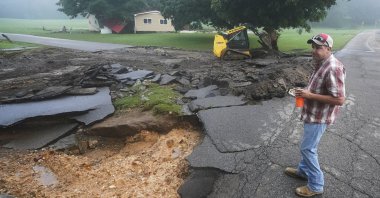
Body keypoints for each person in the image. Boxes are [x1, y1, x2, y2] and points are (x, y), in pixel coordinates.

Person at [285, 33, 346, 197]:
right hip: (312, 114)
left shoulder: (333, 67)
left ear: (328, 48)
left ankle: (316, 185)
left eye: (318, 47)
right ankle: (303, 171)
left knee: (307, 149)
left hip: (319, 117)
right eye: (313, 46)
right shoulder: (321, 63)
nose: (314, 50)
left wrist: (309, 96)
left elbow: (340, 99)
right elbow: (320, 87)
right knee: (308, 146)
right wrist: (305, 92)